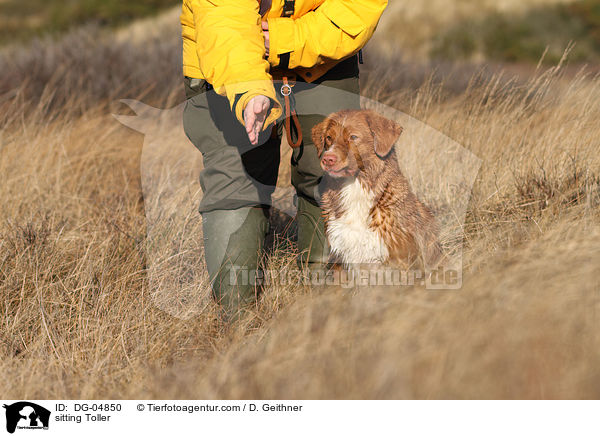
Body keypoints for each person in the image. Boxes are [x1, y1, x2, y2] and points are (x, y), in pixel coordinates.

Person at [181, 0, 388, 317]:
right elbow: (224, 21)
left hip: (325, 56)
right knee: (236, 179)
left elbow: (357, 7)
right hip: (230, 54)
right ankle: (235, 325)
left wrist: (282, 40)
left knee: (334, 177)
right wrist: (250, 91)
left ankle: (327, 315)